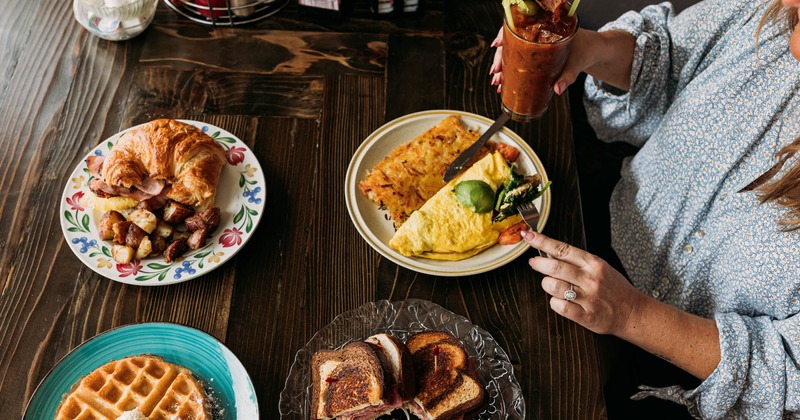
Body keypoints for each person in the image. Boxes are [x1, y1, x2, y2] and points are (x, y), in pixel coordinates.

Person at [491, 0, 800, 418]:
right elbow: (668, 55)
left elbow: (788, 372)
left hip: (679, 389)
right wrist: (588, 48)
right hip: (593, 234)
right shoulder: (767, 14)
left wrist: (631, 313)